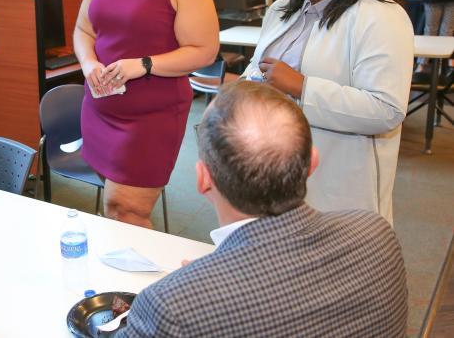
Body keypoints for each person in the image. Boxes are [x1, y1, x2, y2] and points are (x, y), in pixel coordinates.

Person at [118, 81, 408, 337]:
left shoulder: (170, 308)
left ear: (203, 180)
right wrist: (207, 280)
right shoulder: (376, 232)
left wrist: (192, 290)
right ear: (313, 163)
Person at [241, 0, 413, 224]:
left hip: (337, 182)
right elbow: (259, 66)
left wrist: (302, 87)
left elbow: (386, 109)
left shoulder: (382, 17)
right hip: (269, 168)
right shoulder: (282, 9)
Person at [73, 0, 219, 229]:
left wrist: (143, 65)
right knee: (113, 208)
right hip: (100, 107)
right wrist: (89, 64)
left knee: (126, 211)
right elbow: (83, 30)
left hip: (150, 118)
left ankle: (145, 283)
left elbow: (204, 49)